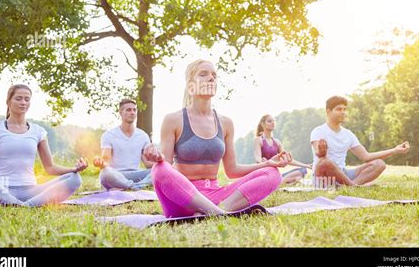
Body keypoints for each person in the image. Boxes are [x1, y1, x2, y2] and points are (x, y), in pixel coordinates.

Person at [143, 60, 291, 218]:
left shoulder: (226, 123)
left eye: (214, 75)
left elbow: (232, 170)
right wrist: (157, 157)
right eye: (203, 74)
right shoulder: (173, 120)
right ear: (190, 84)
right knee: (159, 169)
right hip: (184, 199)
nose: (211, 78)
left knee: (272, 173)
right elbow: (166, 164)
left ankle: (218, 211)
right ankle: (219, 214)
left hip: (217, 196)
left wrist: (267, 163)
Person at [0, 84, 87, 206]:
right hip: (1, 188)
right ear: (8, 101)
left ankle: (20, 206)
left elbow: (50, 167)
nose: (23, 102)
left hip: (31, 191)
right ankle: (23, 205)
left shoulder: (38, 131)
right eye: (18, 98)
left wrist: (74, 169)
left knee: (75, 178)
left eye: (27, 99)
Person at [310, 96, 410, 187]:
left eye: (344, 109)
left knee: (379, 164)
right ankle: (354, 186)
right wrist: (321, 153)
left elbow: (366, 157)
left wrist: (395, 150)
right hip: (323, 177)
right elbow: (319, 156)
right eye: (339, 109)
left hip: (343, 174)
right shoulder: (318, 131)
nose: (343, 112)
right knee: (324, 162)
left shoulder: (348, 134)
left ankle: (349, 186)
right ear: (328, 111)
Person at [93, 99, 155, 190]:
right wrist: (101, 163)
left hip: (136, 174)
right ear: (121, 112)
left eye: (134, 110)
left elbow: (148, 163)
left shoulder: (143, 136)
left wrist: (162, 163)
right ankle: (133, 186)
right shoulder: (109, 135)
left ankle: (134, 186)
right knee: (105, 173)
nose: (132, 112)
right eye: (128, 110)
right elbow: (106, 160)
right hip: (116, 174)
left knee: (158, 171)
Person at [254, 115, 311, 185]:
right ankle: (284, 182)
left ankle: (281, 182)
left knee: (302, 170)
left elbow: (288, 160)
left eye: (273, 121)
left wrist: (306, 165)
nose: (273, 123)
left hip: (275, 173)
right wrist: (264, 163)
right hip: (264, 174)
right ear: (263, 124)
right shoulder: (258, 140)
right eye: (269, 121)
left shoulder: (277, 142)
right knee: (293, 176)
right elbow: (258, 160)